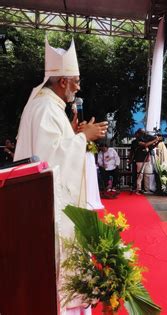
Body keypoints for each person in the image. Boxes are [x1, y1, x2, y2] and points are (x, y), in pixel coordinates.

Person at [14, 38, 107, 314]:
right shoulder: (45, 108)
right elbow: (49, 162)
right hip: (49, 213)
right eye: (75, 81)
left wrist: (75, 134)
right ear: (63, 81)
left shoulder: (49, 106)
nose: (78, 87)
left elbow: (53, 147)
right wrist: (82, 139)